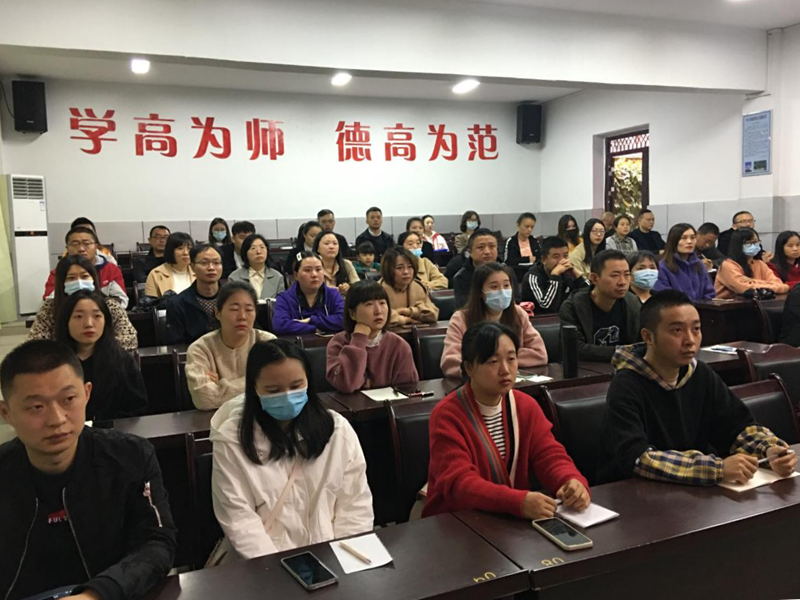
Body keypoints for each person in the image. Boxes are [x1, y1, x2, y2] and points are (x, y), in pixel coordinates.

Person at [0, 340, 176, 600]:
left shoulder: (131, 456)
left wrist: (95, 594)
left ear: (87, 394)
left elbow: (157, 543)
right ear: (6, 413)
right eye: (37, 407)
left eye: (68, 399)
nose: (57, 419)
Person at [597, 290, 797, 485]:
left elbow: (736, 427)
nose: (690, 340)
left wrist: (768, 450)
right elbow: (638, 459)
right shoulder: (626, 385)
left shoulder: (700, 373)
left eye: (696, 329)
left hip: (693, 494)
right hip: (635, 495)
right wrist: (716, 469)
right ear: (648, 337)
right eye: (677, 330)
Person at [209, 339, 373, 562]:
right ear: (254, 388)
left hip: (330, 556)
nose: (287, 396)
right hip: (263, 564)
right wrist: (279, 568)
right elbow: (239, 519)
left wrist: (347, 559)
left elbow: (354, 502)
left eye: (296, 386)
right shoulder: (232, 439)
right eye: (273, 390)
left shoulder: (337, 430)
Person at [424, 322, 590, 519]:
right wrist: (516, 502)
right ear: (469, 368)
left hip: (506, 519)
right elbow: (460, 484)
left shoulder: (525, 406)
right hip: (457, 521)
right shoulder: (447, 415)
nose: (505, 370)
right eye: (493, 362)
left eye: (511, 359)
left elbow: (549, 456)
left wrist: (570, 481)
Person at [442, 263, 547, 378]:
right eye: (494, 287)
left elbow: (540, 354)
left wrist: (489, 358)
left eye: (506, 285)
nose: (502, 291)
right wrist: (508, 357)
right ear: (480, 292)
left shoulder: (518, 314)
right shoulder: (461, 318)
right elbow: (450, 362)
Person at [56, 290, 148, 420]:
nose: (88, 324)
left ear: (106, 321)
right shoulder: (53, 364)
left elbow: (136, 409)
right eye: (79, 316)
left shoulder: (122, 361)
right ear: (66, 322)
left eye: (97, 316)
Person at [186, 282, 277, 411]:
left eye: (249, 310)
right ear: (218, 313)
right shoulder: (200, 349)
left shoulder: (267, 342)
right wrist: (258, 381)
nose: (242, 317)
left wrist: (221, 385)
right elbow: (204, 399)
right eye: (234, 309)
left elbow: (278, 385)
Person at [29, 255, 138, 351]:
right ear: (61, 282)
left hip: (105, 361)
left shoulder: (110, 305)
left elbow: (129, 339)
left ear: (93, 279)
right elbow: (34, 344)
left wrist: (89, 351)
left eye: (84, 276)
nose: (79, 282)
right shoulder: (50, 308)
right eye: (71, 278)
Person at [326, 281, 419, 393]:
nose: (378, 311)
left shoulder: (399, 345)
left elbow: (407, 390)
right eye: (369, 304)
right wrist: (359, 339)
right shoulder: (338, 343)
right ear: (352, 314)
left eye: (382, 303)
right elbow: (347, 384)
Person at [560, 249, 642, 362]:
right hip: (587, 368)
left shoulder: (633, 302)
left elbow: (644, 343)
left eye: (627, 274)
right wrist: (624, 352)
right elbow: (575, 349)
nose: (622, 282)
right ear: (594, 278)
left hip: (625, 367)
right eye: (615, 275)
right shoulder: (573, 306)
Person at [44, 226, 128, 308]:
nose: (81, 249)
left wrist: (95, 310)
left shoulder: (110, 269)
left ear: (96, 247)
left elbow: (121, 301)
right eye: (75, 244)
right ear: (67, 248)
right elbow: (49, 302)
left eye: (87, 244)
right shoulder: (58, 272)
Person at [272, 252, 345, 335]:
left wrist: (311, 320)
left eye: (318, 269)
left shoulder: (333, 294)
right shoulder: (284, 298)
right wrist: (314, 328)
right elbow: (280, 325)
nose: (314, 275)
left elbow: (344, 320)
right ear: (296, 275)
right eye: (307, 270)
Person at [165, 244, 224, 345]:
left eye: (216, 263)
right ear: (192, 266)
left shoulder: (233, 299)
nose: (211, 268)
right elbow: (176, 344)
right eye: (204, 263)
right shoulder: (177, 304)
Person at [714, 228, 789, 299]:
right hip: (728, 305)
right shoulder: (728, 265)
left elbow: (781, 285)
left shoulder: (760, 264)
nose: (754, 245)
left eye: (756, 242)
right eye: (749, 243)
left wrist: (753, 281)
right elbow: (744, 289)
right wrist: (769, 285)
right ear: (738, 245)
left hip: (757, 303)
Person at [521, 236, 586, 315]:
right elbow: (547, 307)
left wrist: (577, 275)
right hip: (540, 320)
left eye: (565, 256)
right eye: (556, 257)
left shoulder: (568, 274)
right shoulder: (532, 277)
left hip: (565, 318)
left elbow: (590, 298)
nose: (562, 261)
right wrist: (555, 276)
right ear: (544, 260)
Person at [654, 224, 715, 301]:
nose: (689, 242)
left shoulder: (699, 265)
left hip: (700, 308)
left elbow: (709, 293)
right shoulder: (663, 267)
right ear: (674, 241)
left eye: (692, 238)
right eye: (683, 238)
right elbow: (664, 298)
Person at [380, 247, 440, 326]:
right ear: (388, 269)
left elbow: (433, 314)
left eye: (410, 267)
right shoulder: (379, 289)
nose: (406, 272)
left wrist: (407, 311)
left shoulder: (418, 287)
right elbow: (378, 317)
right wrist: (405, 320)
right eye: (399, 268)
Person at [228, 234, 285, 300]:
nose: (258, 252)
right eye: (253, 248)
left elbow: (281, 303)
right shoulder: (234, 278)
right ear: (245, 253)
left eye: (262, 247)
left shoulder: (278, 277)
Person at [453, 228, 499, 309]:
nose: (487, 252)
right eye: (481, 247)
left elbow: (516, 300)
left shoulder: (506, 272)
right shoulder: (461, 277)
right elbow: (466, 307)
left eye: (492, 247)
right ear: (470, 252)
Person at [144, 232, 196, 298]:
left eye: (189, 248)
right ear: (170, 251)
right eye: (180, 248)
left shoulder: (198, 271)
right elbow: (151, 302)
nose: (186, 253)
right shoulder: (156, 274)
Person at [313, 231, 359, 296]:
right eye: (326, 243)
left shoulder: (346, 264)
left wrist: (349, 287)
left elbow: (358, 287)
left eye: (335, 243)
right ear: (317, 248)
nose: (331, 247)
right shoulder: (312, 266)